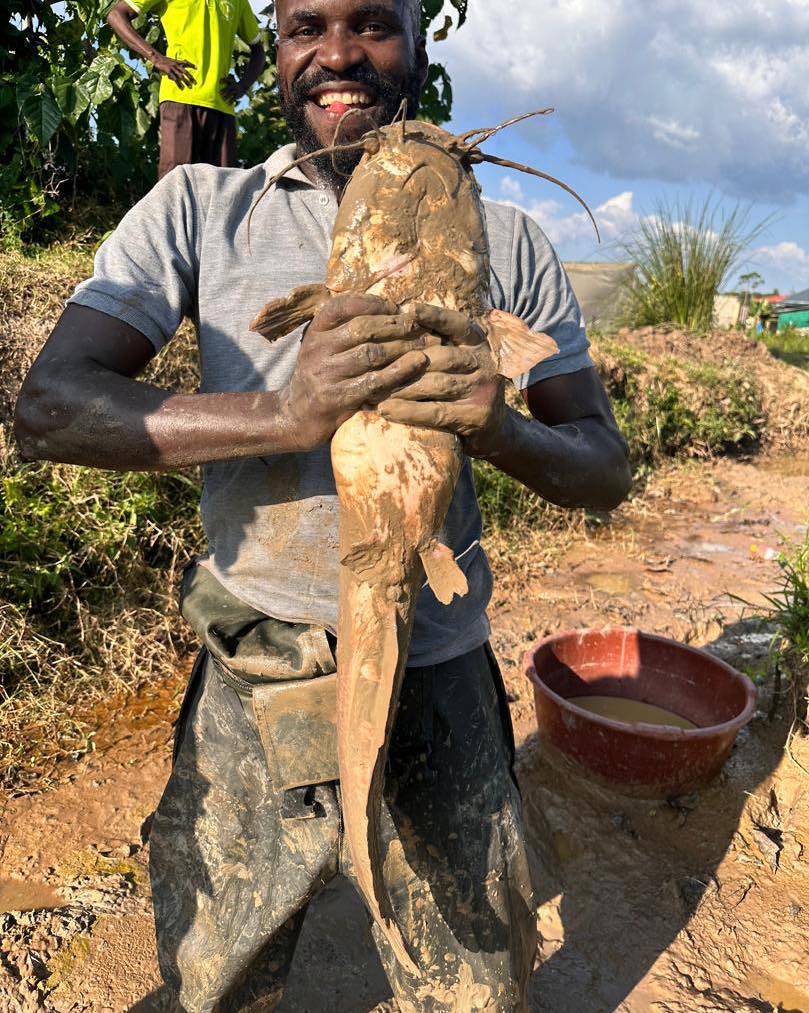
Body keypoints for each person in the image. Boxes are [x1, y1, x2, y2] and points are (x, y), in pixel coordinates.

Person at [15, 0, 632, 1008]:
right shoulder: (202, 210)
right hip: (255, 671)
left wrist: (498, 424)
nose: (338, 53)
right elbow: (48, 409)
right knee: (221, 976)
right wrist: (286, 411)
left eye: (371, 25)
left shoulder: (509, 236)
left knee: (476, 980)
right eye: (308, 24)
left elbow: (603, 467)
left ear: (418, 47)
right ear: (274, 49)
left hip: (441, 671)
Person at [107, 0, 266, 178]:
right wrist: (157, 58)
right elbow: (116, 14)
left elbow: (258, 50)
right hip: (180, 98)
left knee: (225, 191)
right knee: (176, 185)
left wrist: (243, 85)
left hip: (223, 105)